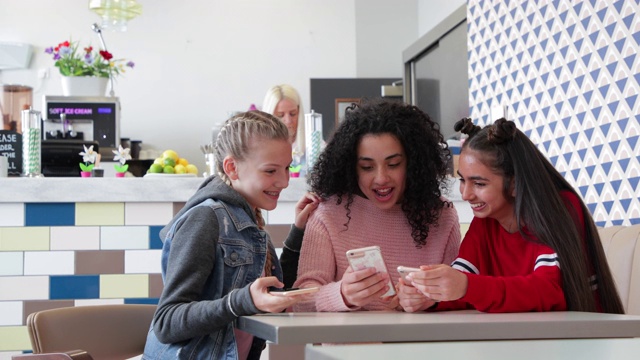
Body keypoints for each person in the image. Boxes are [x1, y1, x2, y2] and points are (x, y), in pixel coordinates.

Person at [397, 117, 625, 314]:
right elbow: (465, 282)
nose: (466, 194)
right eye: (462, 180)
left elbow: (549, 291)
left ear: (515, 184)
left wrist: (464, 286)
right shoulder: (485, 219)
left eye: (479, 183)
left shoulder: (560, 207)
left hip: (582, 339)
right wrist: (433, 296)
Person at [143, 110, 317, 360]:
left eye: (287, 168)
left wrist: (298, 231)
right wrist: (240, 301)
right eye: (270, 171)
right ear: (232, 168)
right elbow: (167, 322)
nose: (284, 181)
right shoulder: (206, 219)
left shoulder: (249, 219)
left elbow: (273, 292)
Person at [292, 99, 461, 312]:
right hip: (350, 345)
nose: (381, 178)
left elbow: (459, 297)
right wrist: (342, 295)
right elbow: (301, 303)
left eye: (393, 164)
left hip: (422, 344)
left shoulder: (442, 216)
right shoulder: (328, 214)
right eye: (367, 167)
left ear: (413, 163)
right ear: (351, 168)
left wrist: (433, 301)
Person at [262, 84, 305, 162]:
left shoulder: (313, 146)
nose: (288, 120)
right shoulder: (259, 149)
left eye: (293, 114)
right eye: (280, 115)